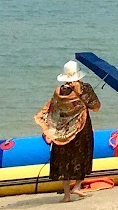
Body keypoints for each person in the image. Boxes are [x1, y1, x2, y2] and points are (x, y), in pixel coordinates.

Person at [35, 60, 101, 202]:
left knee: (64, 159)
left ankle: (66, 195)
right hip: (81, 127)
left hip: (62, 130)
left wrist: (51, 129)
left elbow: (54, 109)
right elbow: (95, 106)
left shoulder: (59, 91)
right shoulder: (85, 88)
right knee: (82, 155)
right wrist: (85, 100)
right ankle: (76, 186)